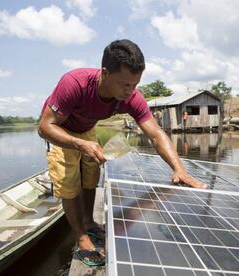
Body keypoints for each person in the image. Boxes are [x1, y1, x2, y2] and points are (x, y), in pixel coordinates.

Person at [38, 39, 206, 266]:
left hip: (86, 129)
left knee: (90, 176)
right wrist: (78, 144)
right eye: (124, 84)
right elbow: (44, 127)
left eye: (135, 85)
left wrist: (179, 169)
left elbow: (156, 134)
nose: (129, 91)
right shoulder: (74, 83)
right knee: (68, 181)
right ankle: (81, 237)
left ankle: (88, 222)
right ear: (105, 73)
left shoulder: (131, 96)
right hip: (60, 129)